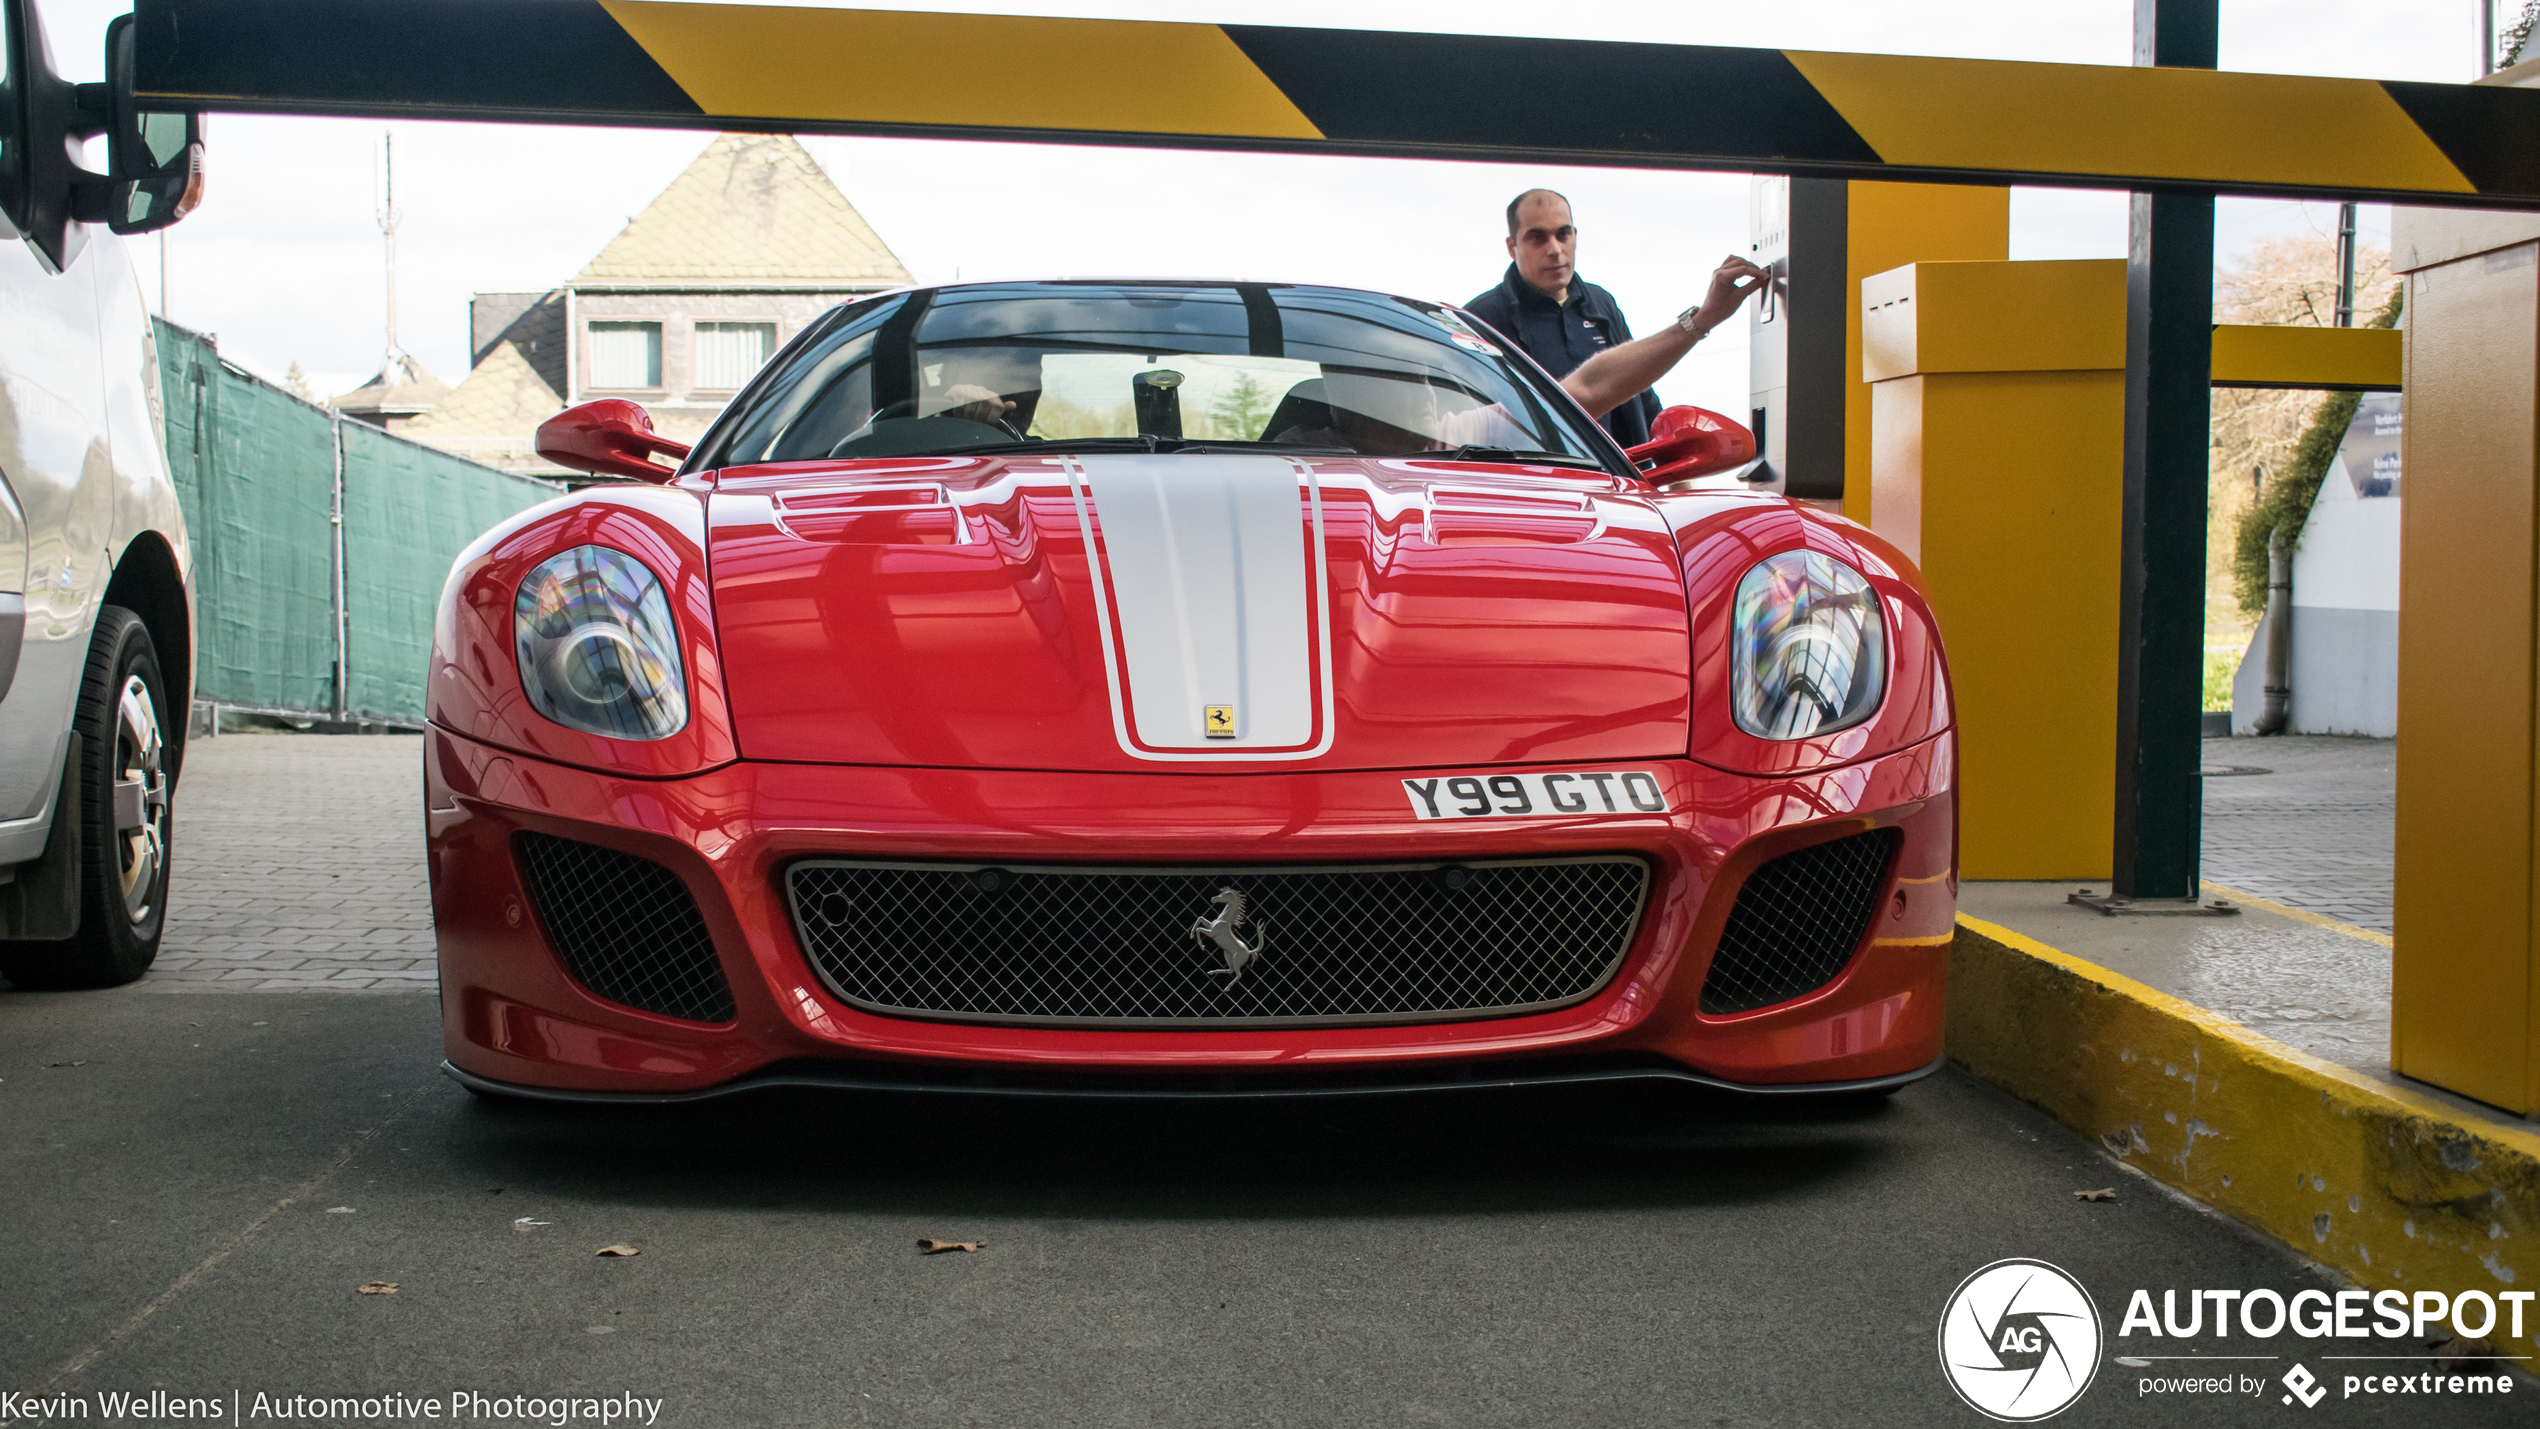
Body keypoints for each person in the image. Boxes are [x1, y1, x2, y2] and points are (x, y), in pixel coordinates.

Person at [1464, 188, 1766, 448]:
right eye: (1537, 238)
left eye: (1563, 234)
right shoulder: (1481, 318)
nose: (1554, 250)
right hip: (1537, 490)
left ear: (1575, 237)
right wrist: (1702, 319)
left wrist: (1676, 483)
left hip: (1616, 489)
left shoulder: (1601, 304)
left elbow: (1644, 399)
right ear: (1511, 246)